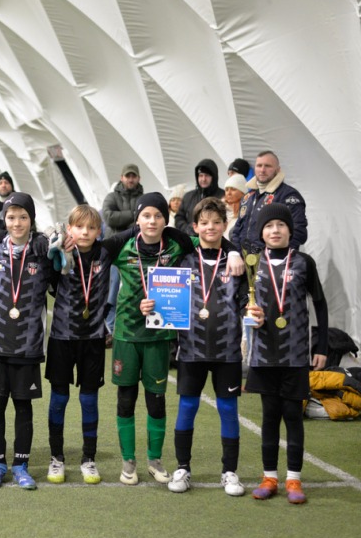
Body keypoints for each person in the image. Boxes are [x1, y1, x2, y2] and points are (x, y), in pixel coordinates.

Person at [108, 193, 194, 486]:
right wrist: (131, 230)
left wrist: (233, 253)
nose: (152, 221)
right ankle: (128, 461)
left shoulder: (174, 246)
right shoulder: (123, 247)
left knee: (156, 401)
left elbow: (210, 240)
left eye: (158, 216)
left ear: (165, 221)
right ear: (137, 219)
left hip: (158, 336)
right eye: (146, 216)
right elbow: (96, 247)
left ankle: (154, 460)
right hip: (126, 336)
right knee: (126, 400)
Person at [246, 203, 328, 504]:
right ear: (261, 233)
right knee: (269, 416)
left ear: (290, 231)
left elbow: (320, 303)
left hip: (295, 353)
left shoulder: (304, 262)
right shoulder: (253, 263)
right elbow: (244, 302)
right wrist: (248, 315)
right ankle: (269, 477)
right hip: (264, 352)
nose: (275, 230)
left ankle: (294, 479)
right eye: (269, 226)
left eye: (281, 225)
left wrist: (322, 346)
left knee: (293, 415)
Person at [166, 197, 248, 497]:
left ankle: (230, 472)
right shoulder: (184, 260)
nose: (210, 227)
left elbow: (246, 300)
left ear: (225, 225)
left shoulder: (236, 263)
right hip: (191, 348)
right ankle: (182, 468)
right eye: (204, 223)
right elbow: (168, 297)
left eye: (216, 222)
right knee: (188, 406)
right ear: (195, 226)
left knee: (228, 408)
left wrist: (234, 250)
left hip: (227, 350)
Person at [0, 193, 54, 490]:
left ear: (31, 220)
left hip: (27, 344)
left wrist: (53, 243)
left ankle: (21, 466)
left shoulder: (43, 252)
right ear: (4, 220)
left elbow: (63, 275)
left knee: (23, 407)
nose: (17, 223)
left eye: (23, 217)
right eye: (11, 217)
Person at [44, 205, 111, 485]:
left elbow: (138, 231)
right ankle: (56, 457)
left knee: (89, 399)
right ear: (69, 228)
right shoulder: (59, 252)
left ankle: (88, 458)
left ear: (99, 231)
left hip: (93, 339)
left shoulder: (106, 252)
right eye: (79, 227)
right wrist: (55, 242)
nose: (85, 232)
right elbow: (45, 269)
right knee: (59, 398)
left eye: (91, 228)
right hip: (62, 337)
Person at [231, 150, 308, 254]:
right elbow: (237, 229)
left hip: (274, 260)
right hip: (243, 260)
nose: (262, 170)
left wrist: (276, 257)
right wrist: (236, 254)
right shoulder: (247, 197)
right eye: (259, 165)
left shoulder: (288, 196)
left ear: (278, 169)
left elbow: (298, 232)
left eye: (268, 166)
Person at [101, 164, 144, 345]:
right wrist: (134, 215)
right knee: (112, 292)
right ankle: (110, 330)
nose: (131, 179)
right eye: (128, 176)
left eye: (133, 176)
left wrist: (124, 218)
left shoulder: (143, 198)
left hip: (135, 252)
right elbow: (109, 217)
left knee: (132, 291)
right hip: (115, 253)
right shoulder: (112, 196)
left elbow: (144, 220)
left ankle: (128, 328)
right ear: (122, 177)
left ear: (138, 178)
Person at [174, 159, 225, 236]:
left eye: (207, 176)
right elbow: (179, 218)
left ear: (213, 177)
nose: (203, 179)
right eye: (201, 176)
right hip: (190, 240)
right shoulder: (188, 196)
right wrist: (187, 229)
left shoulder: (223, 196)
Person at [223, 173, 248, 239]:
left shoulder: (248, 212)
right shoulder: (220, 211)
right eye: (226, 190)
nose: (229, 193)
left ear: (243, 192)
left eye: (233, 189)